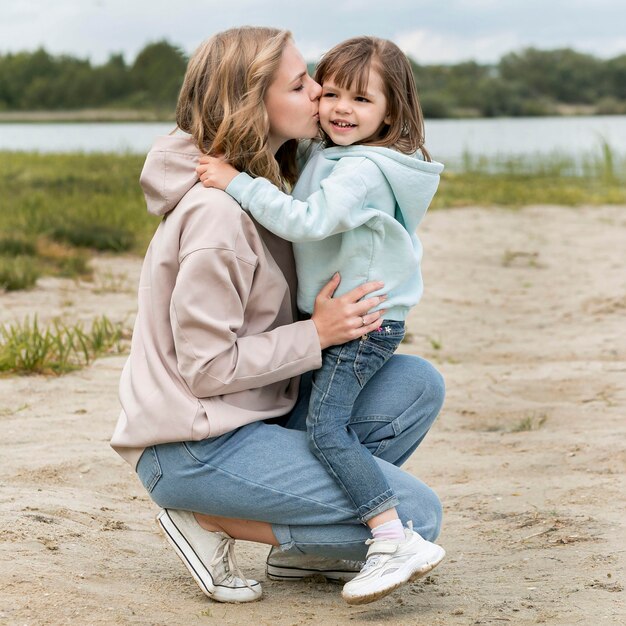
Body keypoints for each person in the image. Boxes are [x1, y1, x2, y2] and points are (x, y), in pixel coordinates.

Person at [111, 26, 445, 607]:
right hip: (193, 446)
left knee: (416, 385)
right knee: (416, 513)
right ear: (252, 102)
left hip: (253, 417)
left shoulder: (266, 188)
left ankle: (301, 548)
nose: (321, 94)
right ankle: (208, 519)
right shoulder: (218, 218)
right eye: (302, 83)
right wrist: (316, 333)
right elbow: (206, 369)